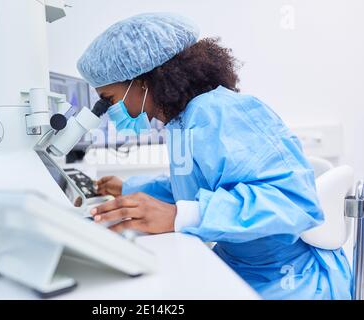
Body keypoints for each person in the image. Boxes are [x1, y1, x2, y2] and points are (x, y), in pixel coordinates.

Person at [76, 12, 352, 299]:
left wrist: (179, 216)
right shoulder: (180, 121)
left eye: (110, 99)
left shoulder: (220, 111)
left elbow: (294, 200)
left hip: (291, 280)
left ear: (142, 81)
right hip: (242, 265)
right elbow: (194, 187)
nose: (110, 111)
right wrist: (130, 189)